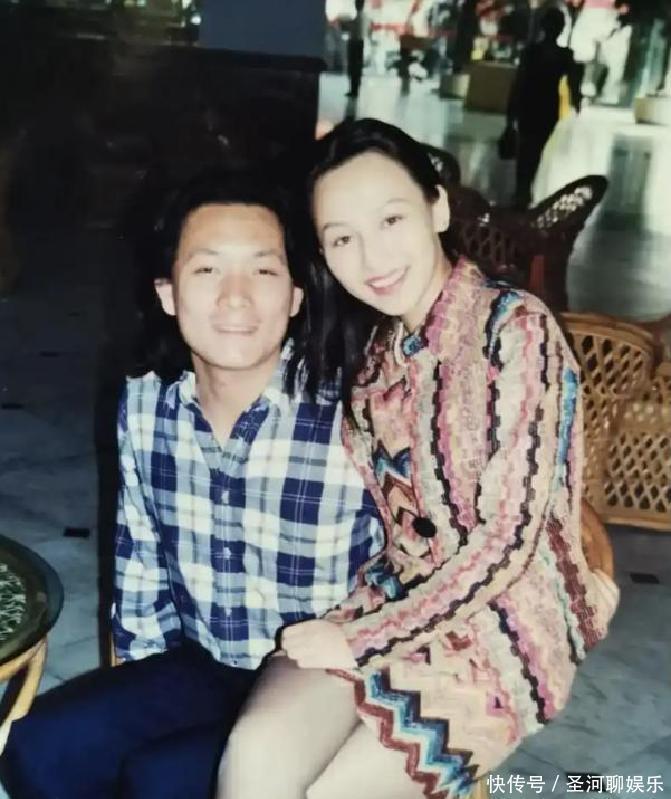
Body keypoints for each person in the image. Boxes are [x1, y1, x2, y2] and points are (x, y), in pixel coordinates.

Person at [217, 118, 619, 799]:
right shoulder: (374, 353)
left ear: (436, 208)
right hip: (391, 596)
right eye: (341, 238)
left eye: (390, 219)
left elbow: (505, 542)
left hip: (503, 626)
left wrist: (360, 641)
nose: (371, 257)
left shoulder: (513, 329)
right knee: (252, 757)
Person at [0, 169, 383, 799]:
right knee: (39, 749)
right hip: (205, 663)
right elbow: (141, 557)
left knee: (160, 781)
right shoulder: (149, 402)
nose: (236, 298)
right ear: (168, 293)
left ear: (295, 295)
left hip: (325, 688)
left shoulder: (358, 413)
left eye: (263, 270)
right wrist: (134, 686)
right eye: (207, 269)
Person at [507, 7, 582, 208]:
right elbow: (573, 83)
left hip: (529, 102)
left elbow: (519, 82)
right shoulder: (564, 55)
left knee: (526, 147)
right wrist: (577, 101)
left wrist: (511, 111)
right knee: (535, 148)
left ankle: (522, 188)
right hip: (547, 105)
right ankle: (525, 187)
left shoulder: (531, 52)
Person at [346, 0, 370, 98]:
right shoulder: (364, 17)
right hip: (360, 42)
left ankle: (354, 90)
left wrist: (349, 24)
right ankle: (355, 89)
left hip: (355, 43)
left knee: (353, 67)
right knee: (357, 67)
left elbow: (353, 30)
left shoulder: (358, 17)